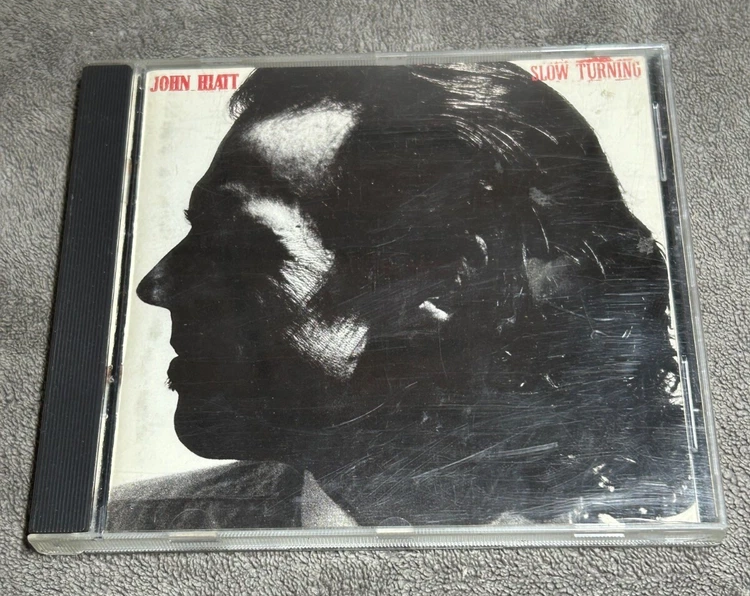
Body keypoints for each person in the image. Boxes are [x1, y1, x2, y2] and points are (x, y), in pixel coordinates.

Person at [108, 62, 691, 531]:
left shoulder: (657, 565)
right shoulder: (134, 529)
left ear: (451, 284)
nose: (156, 285)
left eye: (239, 244)